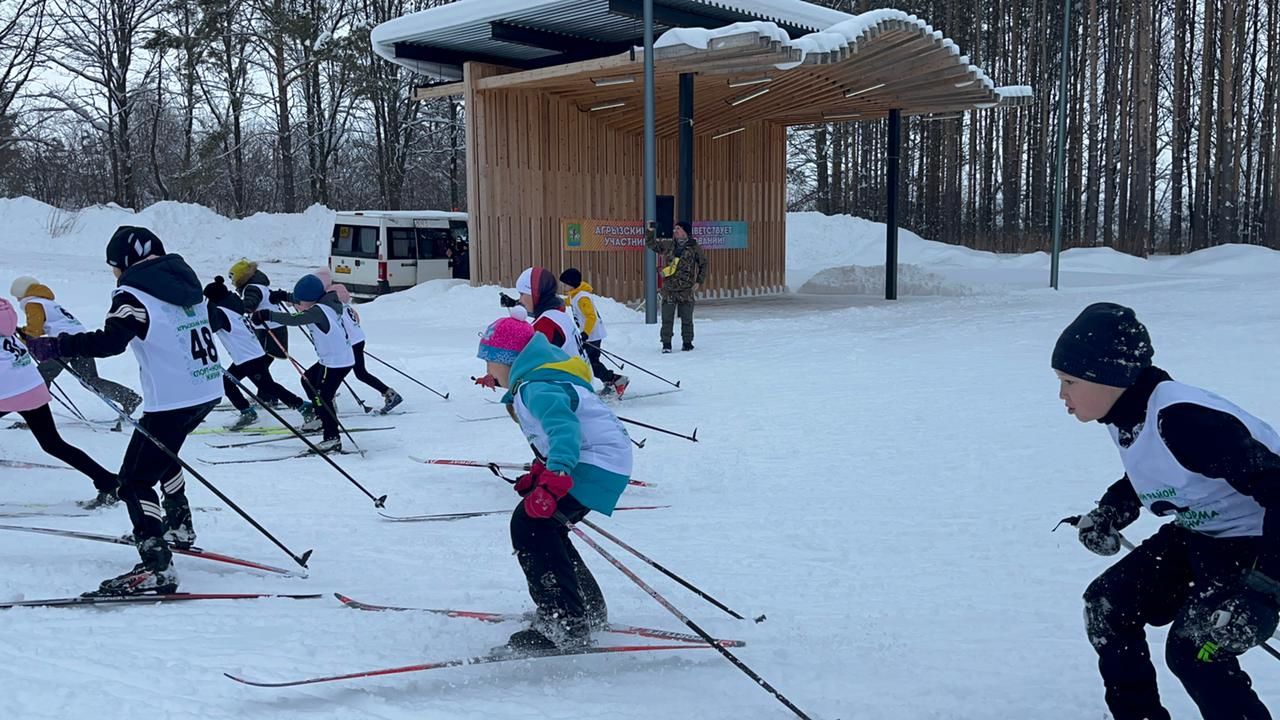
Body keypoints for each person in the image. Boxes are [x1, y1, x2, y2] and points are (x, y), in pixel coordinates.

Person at [1055, 302, 1280, 720]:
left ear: (1110, 376)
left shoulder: (1184, 419)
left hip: (1258, 539)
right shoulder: (1125, 412)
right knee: (1107, 605)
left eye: (1069, 381)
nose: (1062, 395)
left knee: (1196, 648)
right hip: (1203, 531)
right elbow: (1160, 470)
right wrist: (1112, 511)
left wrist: (1264, 591)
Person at [27, 226, 222, 596]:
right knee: (164, 454)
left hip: (173, 398)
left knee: (134, 480)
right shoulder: (185, 282)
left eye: (114, 267)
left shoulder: (133, 292)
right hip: (206, 388)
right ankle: (178, 523)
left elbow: (111, 342)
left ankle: (156, 565)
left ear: (126, 262)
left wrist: (57, 345)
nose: (114, 274)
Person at [475, 316, 632, 653]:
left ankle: (564, 623)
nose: (488, 369)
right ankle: (585, 610)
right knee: (547, 528)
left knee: (530, 526)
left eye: (490, 360)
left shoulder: (537, 386)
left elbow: (565, 431)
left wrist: (556, 474)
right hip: (603, 462)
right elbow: (556, 434)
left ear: (508, 359)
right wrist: (542, 469)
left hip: (594, 464)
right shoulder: (537, 380)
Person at [0, 298, 119, 508]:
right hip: (32, 388)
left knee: (52, 443)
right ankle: (109, 482)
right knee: (53, 444)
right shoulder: (6, 320)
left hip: (9, 391)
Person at [11, 275, 141, 417]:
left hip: (62, 344)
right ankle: (128, 397)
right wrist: (23, 332)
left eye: (17, 295)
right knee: (90, 379)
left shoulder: (33, 303)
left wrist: (23, 338)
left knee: (39, 379)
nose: (17, 299)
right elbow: (47, 325)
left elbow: (34, 331)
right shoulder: (48, 302)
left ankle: (37, 417)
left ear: (22, 292)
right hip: (81, 340)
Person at [252, 274, 353, 453]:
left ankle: (332, 438)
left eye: (302, 301)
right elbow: (301, 301)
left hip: (335, 362)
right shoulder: (328, 301)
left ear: (311, 299)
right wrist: (284, 296)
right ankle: (320, 417)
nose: (298, 303)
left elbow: (294, 319)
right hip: (334, 358)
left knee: (323, 396)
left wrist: (268, 314)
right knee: (307, 379)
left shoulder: (317, 311)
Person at [203, 276, 313, 431]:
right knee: (227, 383)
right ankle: (247, 412)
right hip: (247, 356)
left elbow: (211, 326)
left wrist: (206, 308)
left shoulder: (221, 312)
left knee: (269, 387)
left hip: (250, 358)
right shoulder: (232, 306)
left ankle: (304, 407)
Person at [292, 268, 402, 414]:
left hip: (350, 343)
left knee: (338, 373)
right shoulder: (337, 303)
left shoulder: (328, 307)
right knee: (358, 373)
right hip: (357, 340)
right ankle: (388, 393)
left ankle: (327, 404)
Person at [559, 268, 629, 397]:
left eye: (565, 284)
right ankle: (612, 380)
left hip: (592, 335)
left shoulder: (582, 298)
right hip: (590, 335)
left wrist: (585, 333)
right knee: (592, 362)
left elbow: (592, 317)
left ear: (572, 283)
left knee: (589, 363)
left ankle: (615, 380)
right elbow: (568, 302)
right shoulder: (575, 294)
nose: (563, 286)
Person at [645, 220, 707, 353]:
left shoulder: (694, 247)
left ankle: (687, 343)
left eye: (678, 229)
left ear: (685, 231)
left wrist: (698, 281)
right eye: (675, 229)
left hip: (686, 289)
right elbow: (651, 245)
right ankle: (666, 344)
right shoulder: (669, 245)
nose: (675, 231)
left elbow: (703, 264)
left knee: (687, 319)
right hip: (669, 289)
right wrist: (650, 231)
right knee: (667, 319)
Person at [228, 259, 290, 362]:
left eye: (232, 278)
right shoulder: (259, 285)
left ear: (240, 277)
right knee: (263, 359)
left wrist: (234, 303)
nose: (232, 282)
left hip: (269, 328)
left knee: (259, 359)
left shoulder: (252, 288)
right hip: (274, 326)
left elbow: (250, 306)